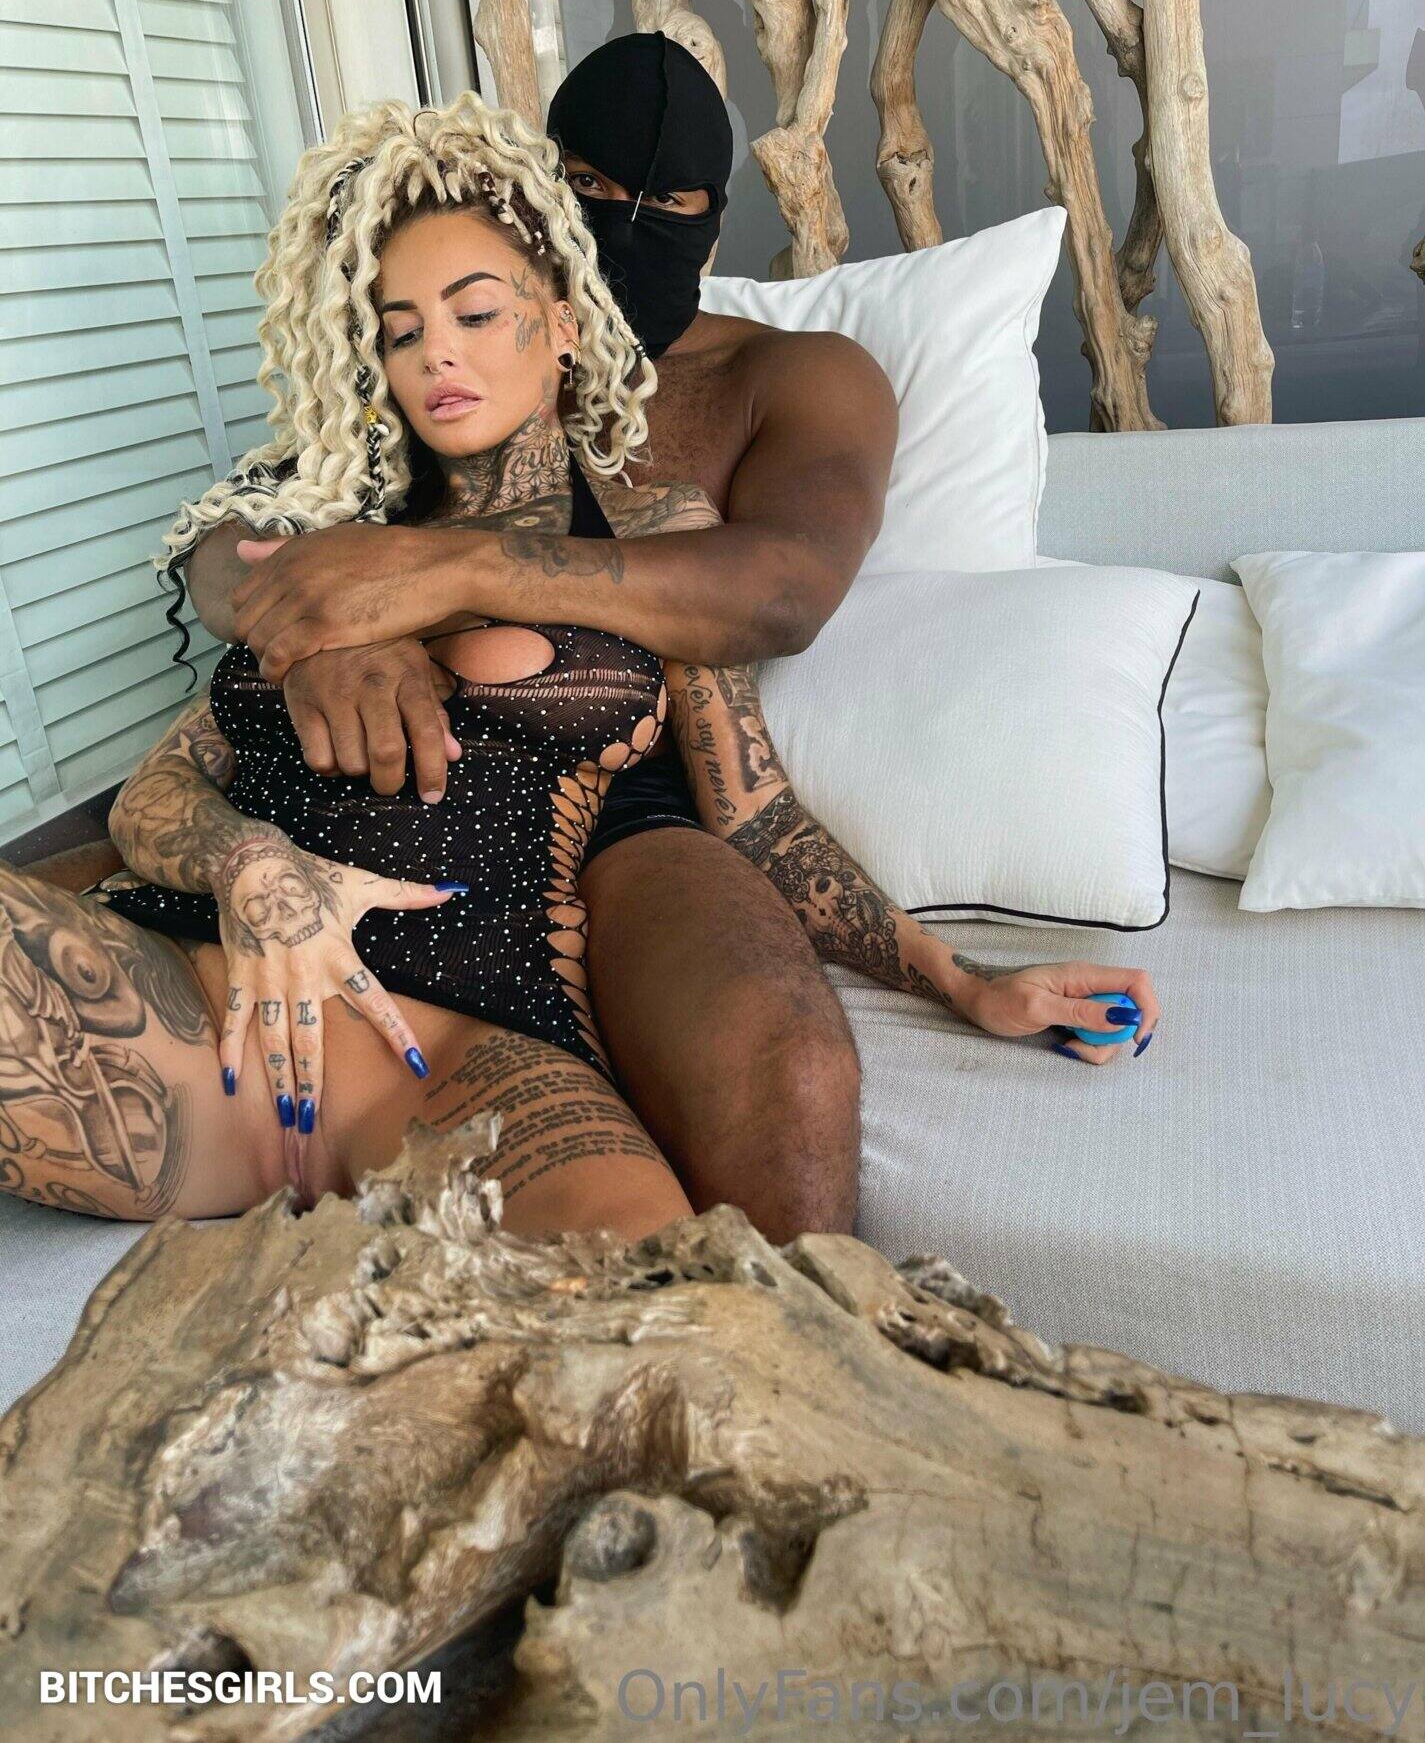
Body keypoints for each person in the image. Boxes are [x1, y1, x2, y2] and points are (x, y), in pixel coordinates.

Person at [0, 94, 1159, 1240]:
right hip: (191, 991)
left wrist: (962, 979)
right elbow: (165, 778)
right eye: (401, 330)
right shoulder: (328, 539)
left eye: (475, 312)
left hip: (471, 1044)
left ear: (561, 323)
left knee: (698, 1322)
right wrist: (249, 862)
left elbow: (758, 817)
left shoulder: (657, 533)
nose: (437, 350)